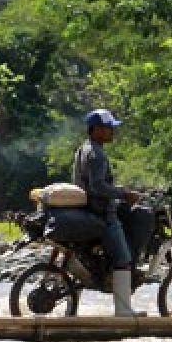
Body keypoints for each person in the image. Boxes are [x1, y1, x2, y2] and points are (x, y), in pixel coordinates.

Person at [73, 107, 145, 317]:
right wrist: (124, 193)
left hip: (89, 208)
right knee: (123, 259)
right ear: (95, 130)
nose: (112, 132)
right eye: (108, 128)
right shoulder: (97, 154)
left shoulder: (84, 149)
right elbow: (97, 187)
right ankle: (123, 311)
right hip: (102, 213)